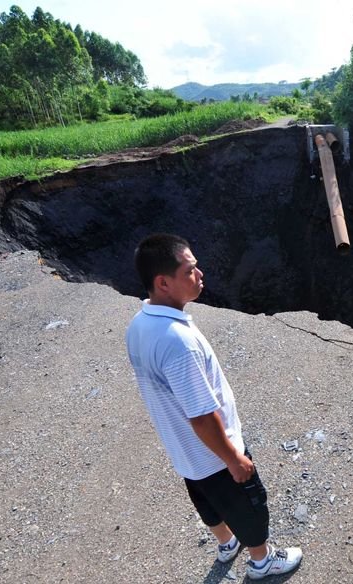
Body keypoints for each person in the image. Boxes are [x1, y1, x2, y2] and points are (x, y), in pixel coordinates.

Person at [125, 233, 302, 580]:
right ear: (164, 283)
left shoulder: (139, 325)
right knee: (248, 504)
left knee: (207, 502)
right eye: (189, 270)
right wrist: (233, 458)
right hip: (213, 452)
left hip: (185, 453)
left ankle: (226, 543)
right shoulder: (178, 342)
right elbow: (203, 417)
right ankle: (262, 562)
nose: (200, 274)